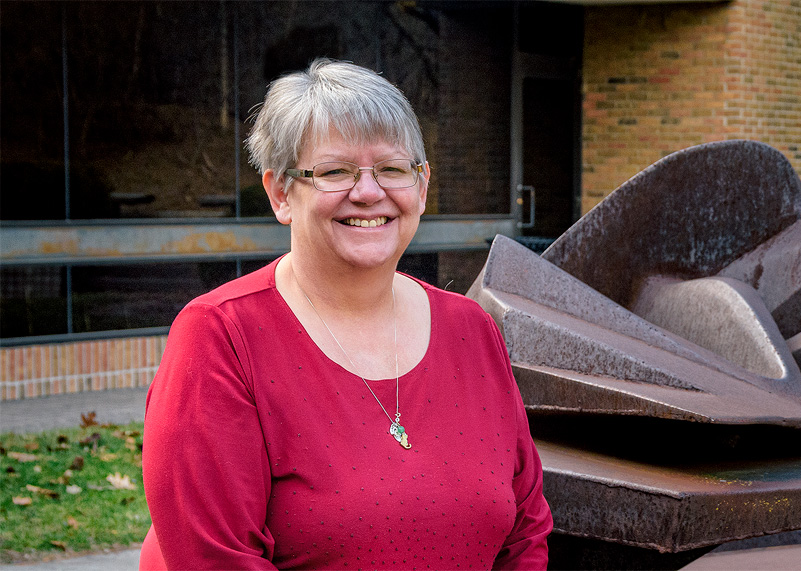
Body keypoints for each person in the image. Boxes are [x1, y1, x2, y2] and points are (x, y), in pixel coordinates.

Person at [140, 59, 551, 570]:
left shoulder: (471, 329)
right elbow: (214, 558)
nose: (368, 192)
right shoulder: (221, 337)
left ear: (421, 187)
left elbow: (526, 529)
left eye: (392, 169)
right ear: (279, 193)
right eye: (335, 171)